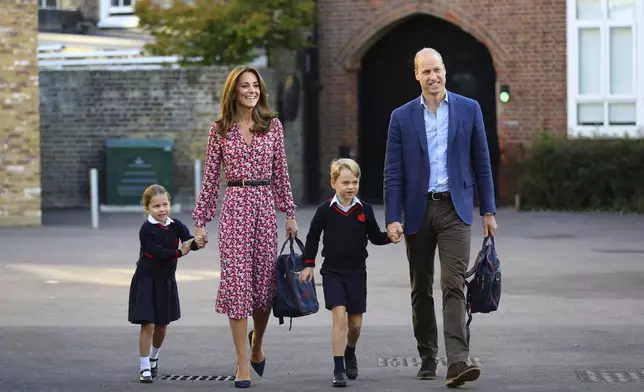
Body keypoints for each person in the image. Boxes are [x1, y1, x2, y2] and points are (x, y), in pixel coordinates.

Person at [383, 48, 498, 388]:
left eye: (437, 70)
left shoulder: (469, 109)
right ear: (416, 76)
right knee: (421, 288)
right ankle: (428, 355)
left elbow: (482, 162)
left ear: (445, 71)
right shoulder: (401, 117)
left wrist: (488, 210)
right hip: (418, 210)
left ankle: (458, 362)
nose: (432, 77)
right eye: (425, 72)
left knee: (453, 284)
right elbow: (392, 173)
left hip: (455, 209)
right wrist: (392, 217)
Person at [192, 66, 298, 389]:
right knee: (238, 286)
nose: (251, 90)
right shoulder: (219, 130)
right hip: (235, 207)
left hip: (264, 206)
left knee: (264, 290)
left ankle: (257, 344)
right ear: (233, 92)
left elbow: (281, 173)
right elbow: (210, 180)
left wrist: (289, 212)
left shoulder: (273, 126)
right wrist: (201, 222)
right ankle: (241, 362)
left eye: (255, 85)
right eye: (244, 86)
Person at [299, 158, 393, 387]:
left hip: (357, 272)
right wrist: (308, 263)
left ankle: (350, 350)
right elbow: (312, 237)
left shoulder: (364, 210)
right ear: (334, 183)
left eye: (355, 182)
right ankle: (338, 368)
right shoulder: (325, 211)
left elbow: (375, 236)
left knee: (356, 324)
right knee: (339, 317)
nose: (351, 187)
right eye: (345, 182)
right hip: (332, 272)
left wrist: (390, 236)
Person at [127, 184, 199, 383]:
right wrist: (180, 252)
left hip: (166, 281)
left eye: (165, 204)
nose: (162, 209)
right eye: (156, 206)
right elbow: (156, 252)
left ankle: (153, 358)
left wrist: (197, 242)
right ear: (147, 208)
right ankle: (144, 368)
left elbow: (189, 239)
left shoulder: (175, 224)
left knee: (161, 326)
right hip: (146, 280)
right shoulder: (146, 229)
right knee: (147, 324)